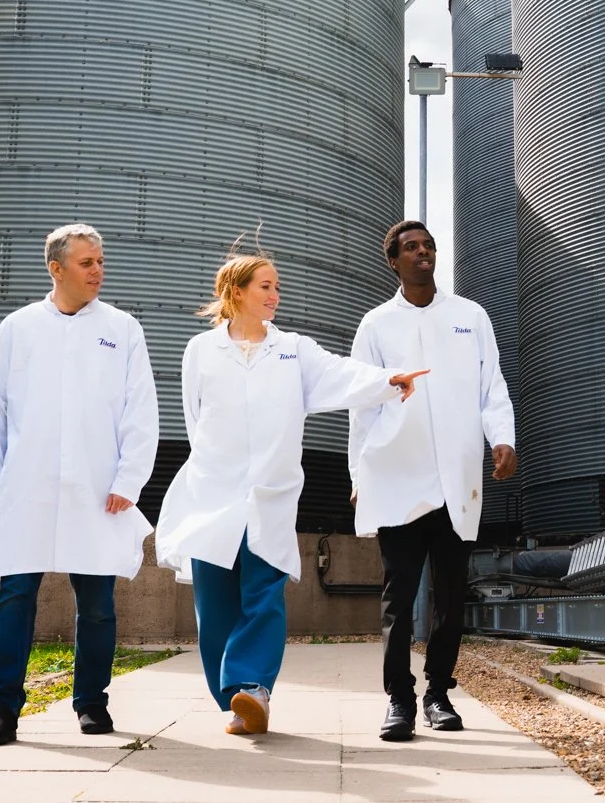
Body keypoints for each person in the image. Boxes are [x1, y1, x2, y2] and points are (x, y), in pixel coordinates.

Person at [155, 250, 425, 736]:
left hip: (271, 493)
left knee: (263, 593)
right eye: (265, 286)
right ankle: (235, 698)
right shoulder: (200, 350)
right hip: (213, 490)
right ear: (235, 292)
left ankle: (254, 689)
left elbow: (340, 375)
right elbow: (195, 418)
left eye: (276, 286)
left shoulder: (294, 349)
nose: (275, 295)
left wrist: (388, 380)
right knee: (214, 604)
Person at [0, 223, 159, 746]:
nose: (98, 270)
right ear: (56, 269)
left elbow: (140, 411)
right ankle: (1, 708)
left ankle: (91, 703)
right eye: (86, 263)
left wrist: (129, 479)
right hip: (25, 487)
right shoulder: (16, 329)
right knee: (15, 595)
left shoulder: (122, 328)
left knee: (97, 600)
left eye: (100, 260)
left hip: (98, 488)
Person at [349, 220, 518, 742]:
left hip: (457, 479)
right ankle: (398, 699)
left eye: (429, 246)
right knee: (398, 599)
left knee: (450, 595)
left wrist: (502, 437)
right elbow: (362, 404)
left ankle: (438, 693)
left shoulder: (470, 315)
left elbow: (492, 385)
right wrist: (360, 472)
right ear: (393, 261)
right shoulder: (376, 325)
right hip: (398, 477)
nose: (423, 253)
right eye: (411, 248)